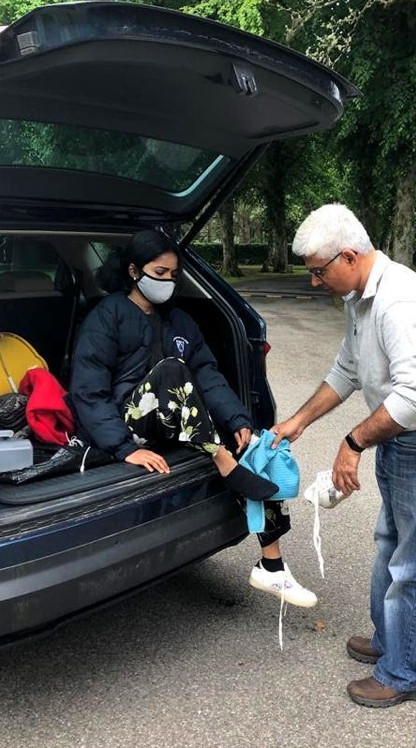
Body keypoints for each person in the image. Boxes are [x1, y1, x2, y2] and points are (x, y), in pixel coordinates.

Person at [273, 204, 416, 707]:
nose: (316, 283)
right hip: (403, 435)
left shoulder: (399, 302)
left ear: (349, 256)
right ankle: (393, 641)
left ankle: (409, 673)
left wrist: (353, 443)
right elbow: (347, 369)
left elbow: (415, 395)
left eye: (319, 271)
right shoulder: (359, 297)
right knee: (392, 541)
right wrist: (298, 421)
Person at [69, 230, 316, 608]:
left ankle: (273, 565)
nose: (169, 281)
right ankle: (222, 459)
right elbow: (89, 391)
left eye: (173, 274)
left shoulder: (179, 320)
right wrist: (122, 448)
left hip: (180, 419)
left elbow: (207, 374)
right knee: (173, 371)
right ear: (135, 271)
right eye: (160, 272)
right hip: (129, 423)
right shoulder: (107, 317)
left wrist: (237, 420)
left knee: (254, 447)